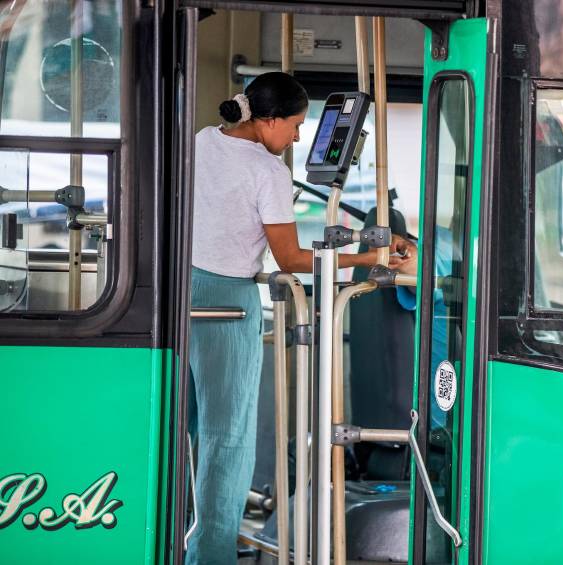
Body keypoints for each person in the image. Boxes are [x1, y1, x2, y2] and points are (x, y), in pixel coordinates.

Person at [187, 72, 397, 564]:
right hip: (228, 301)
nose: (299, 137)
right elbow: (292, 261)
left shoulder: (203, 140)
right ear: (270, 120)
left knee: (190, 431)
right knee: (227, 439)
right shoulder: (269, 172)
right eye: (297, 125)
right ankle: (210, 555)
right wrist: (369, 259)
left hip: (180, 291)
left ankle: (186, 542)